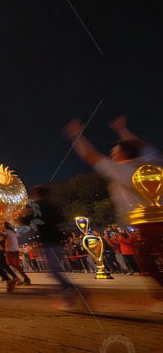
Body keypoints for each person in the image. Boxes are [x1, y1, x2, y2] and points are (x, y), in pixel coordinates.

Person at [63, 116, 163, 308]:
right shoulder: (151, 163)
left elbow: (90, 155)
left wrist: (77, 136)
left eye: (115, 150)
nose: (112, 152)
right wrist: (122, 130)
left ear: (124, 153)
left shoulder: (122, 169)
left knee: (146, 260)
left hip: (146, 224)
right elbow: (142, 146)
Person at [18, 185, 79, 308]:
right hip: (57, 240)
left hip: (49, 241)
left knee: (53, 271)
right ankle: (68, 297)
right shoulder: (52, 206)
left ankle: (72, 289)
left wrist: (24, 214)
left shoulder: (37, 207)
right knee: (54, 270)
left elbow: (24, 221)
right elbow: (61, 220)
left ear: (37, 194)